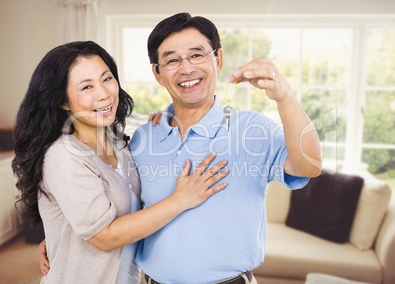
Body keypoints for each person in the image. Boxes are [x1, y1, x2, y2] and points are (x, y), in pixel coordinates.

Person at [12, 40, 229, 283]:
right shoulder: (64, 156)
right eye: (86, 87)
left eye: (107, 79)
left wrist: (165, 120)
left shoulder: (117, 142)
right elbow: (105, 236)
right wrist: (181, 200)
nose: (104, 94)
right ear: (62, 101)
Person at [128, 12, 322, 284]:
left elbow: (310, 165)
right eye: (172, 60)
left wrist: (285, 97)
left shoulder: (253, 130)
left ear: (217, 59)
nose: (186, 69)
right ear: (157, 73)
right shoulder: (142, 137)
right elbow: (123, 211)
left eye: (197, 55)